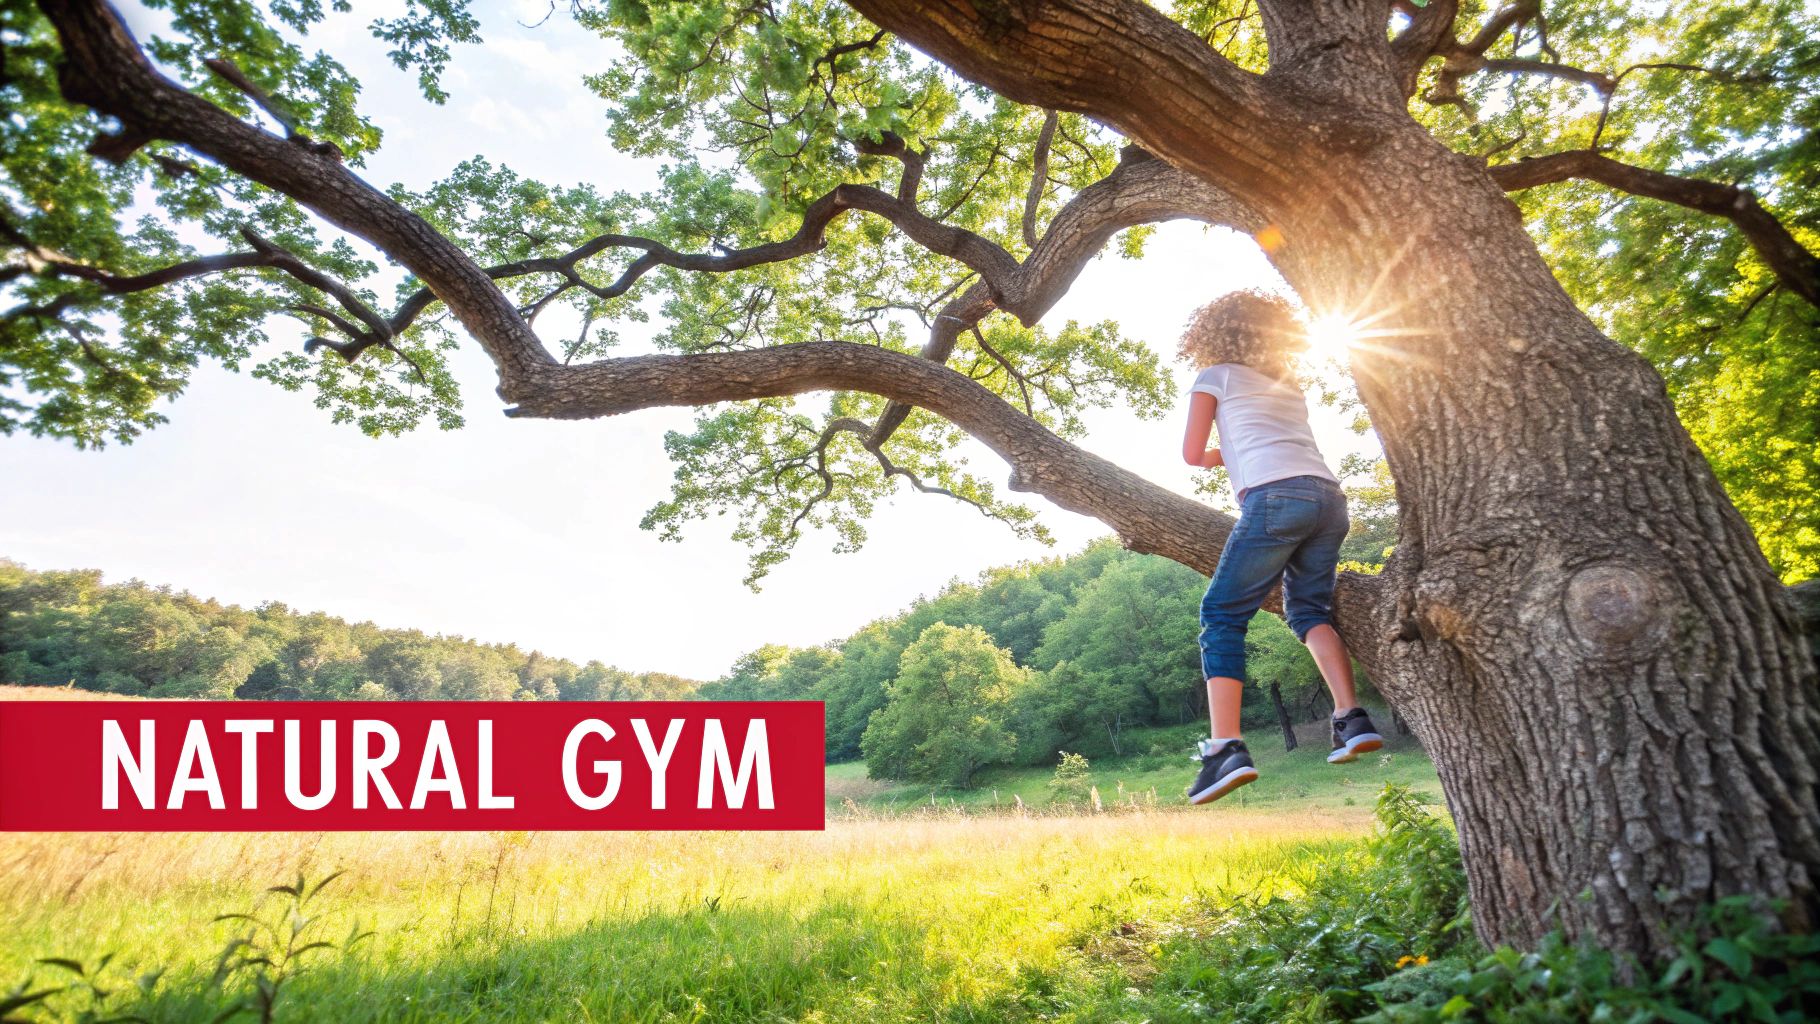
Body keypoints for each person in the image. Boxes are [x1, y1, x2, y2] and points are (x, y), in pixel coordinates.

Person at [1177, 290, 1383, 805]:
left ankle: (1225, 747)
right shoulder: (1288, 386)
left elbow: (1191, 454)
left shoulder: (1215, 376)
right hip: (1329, 499)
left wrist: (1226, 454)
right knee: (1310, 610)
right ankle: (1351, 718)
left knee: (1222, 613)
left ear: (1211, 334)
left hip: (1275, 497)